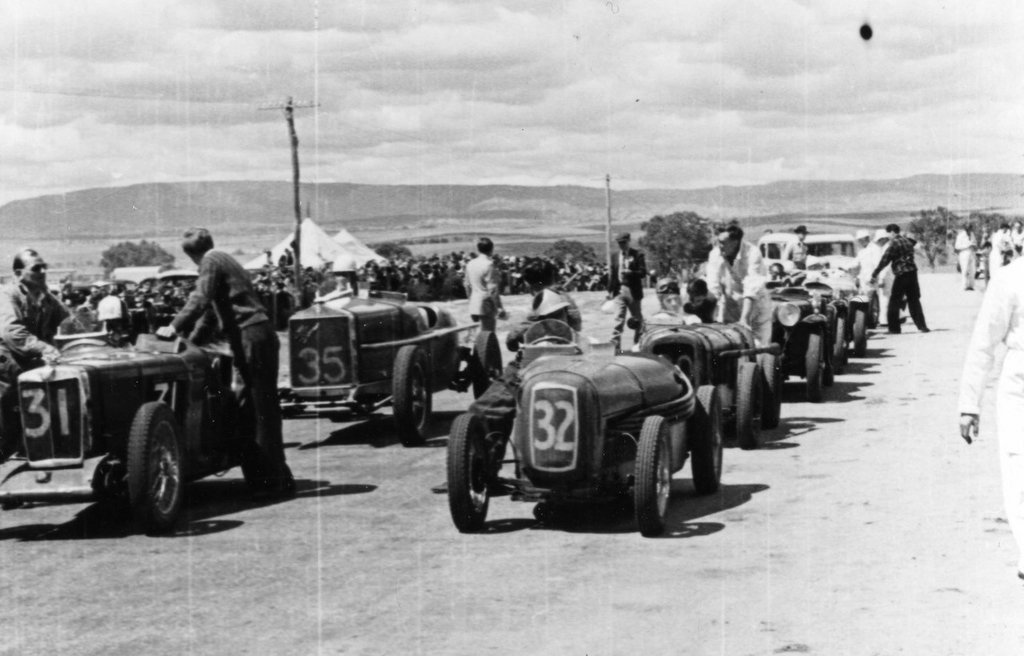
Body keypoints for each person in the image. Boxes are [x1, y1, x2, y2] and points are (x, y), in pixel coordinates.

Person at [155, 228, 294, 499]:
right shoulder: (224, 261)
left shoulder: (211, 261)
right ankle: (276, 477)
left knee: (256, 408)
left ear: (192, 255)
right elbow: (210, 314)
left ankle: (271, 482)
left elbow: (200, 298)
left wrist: (173, 326)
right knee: (256, 406)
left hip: (251, 336)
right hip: (256, 335)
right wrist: (189, 343)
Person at [958, 255, 1024, 581]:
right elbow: (984, 342)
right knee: (1019, 465)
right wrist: (970, 404)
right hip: (1020, 386)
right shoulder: (1010, 278)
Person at [0, 249, 69, 459]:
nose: (42, 272)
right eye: (36, 268)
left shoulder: (46, 298)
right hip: (6, 368)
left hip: (30, 366)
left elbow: (70, 322)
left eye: (44, 267)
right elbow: (12, 333)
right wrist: (46, 348)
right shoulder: (6, 294)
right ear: (19, 273)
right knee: (6, 429)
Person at [869, 223, 929, 334]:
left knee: (894, 302)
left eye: (889, 234)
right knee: (914, 300)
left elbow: (884, 261)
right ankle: (922, 326)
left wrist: (874, 274)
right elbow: (914, 243)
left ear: (892, 232)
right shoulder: (907, 241)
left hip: (901, 274)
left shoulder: (894, 244)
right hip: (912, 273)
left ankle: (894, 328)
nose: (888, 237)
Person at [705, 224, 764, 323]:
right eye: (719, 242)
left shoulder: (753, 253)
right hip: (730, 308)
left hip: (754, 309)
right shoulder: (715, 254)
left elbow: (751, 289)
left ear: (735, 243)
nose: (719, 246)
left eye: (723, 243)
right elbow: (713, 286)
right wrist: (710, 316)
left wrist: (744, 320)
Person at [608, 232, 646, 349]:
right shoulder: (614, 256)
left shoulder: (638, 254)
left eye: (624, 243)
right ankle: (615, 347)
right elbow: (613, 274)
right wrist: (609, 291)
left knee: (637, 320)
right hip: (619, 290)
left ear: (628, 241)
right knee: (618, 319)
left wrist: (632, 273)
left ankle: (637, 344)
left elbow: (643, 273)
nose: (622, 245)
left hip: (633, 291)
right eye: (620, 243)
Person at [464, 237, 506, 332]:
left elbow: (467, 285)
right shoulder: (489, 264)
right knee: (488, 336)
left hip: (474, 303)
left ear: (478, 249)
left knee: (478, 335)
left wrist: (470, 300)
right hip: (486, 304)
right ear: (491, 249)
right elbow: (493, 290)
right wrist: (499, 307)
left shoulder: (470, 263)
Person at [953, 223, 978, 291]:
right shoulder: (960, 235)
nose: (969, 229)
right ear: (965, 229)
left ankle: (971, 285)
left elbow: (975, 242)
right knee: (965, 270)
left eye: (970, 228)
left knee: (973, 270)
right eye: (968, 228)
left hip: (972, 253)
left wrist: (974, 246)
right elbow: (957, 247)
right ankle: (964, 286)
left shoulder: (972, 234)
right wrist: (967, 246)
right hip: (964, 253)